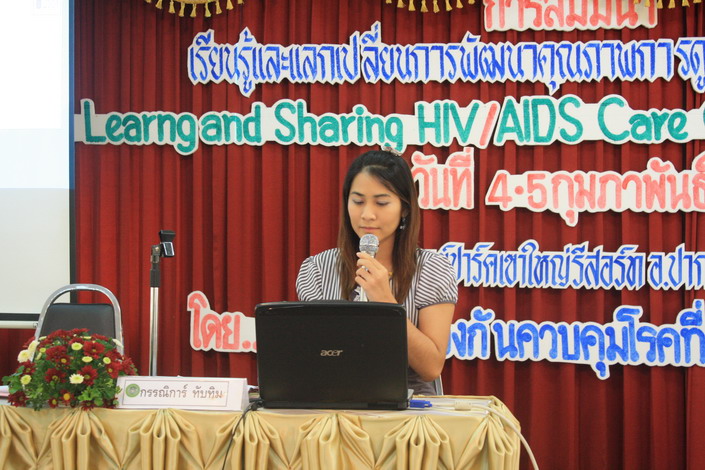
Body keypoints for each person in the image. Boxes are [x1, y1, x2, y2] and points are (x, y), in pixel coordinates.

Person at [296, 149, 458, 395]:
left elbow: (431, 368)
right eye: (358, 201)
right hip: (333, 399)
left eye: (381, 203)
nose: (367, 215)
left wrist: (386, 303)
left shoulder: (432, 269)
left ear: (405, 208)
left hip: (409, 405)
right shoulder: (317, 269)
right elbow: (312, 355)